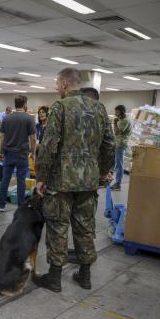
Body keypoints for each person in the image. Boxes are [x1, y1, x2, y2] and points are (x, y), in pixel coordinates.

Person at [34, 68, 114, 293]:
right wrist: (103, 171)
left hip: (61, 180)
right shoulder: (99, 108)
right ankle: (85, 276)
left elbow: (49, 145)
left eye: (57, 84)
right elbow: (109, 144)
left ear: (64, 84)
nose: (56, 88)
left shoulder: (60, 107)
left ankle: (55, 277)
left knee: (58, 225)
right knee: (85, 226)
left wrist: (41, 176)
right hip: (89, 180)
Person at [0, 95, 36, 212]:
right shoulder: (29, 119)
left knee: (5, 179)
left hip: (8, 153)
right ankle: (20, 207)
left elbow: (1, 137)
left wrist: (0, 152)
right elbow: (33, 138)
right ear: (24, 104)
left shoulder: (6, 118)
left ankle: (1, 206)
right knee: (21, 181)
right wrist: (33, 152)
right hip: (22, 154)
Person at [112, 105, 131, 190]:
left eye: (116, 111)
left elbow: (116, 132)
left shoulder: (125, 121)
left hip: (120, 144)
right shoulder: (122, 120)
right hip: (118, 143)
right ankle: (115, 181)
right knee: (117, 163)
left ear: (121, 111)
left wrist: (115, 122)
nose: (115, 113)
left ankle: (118, 184)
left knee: (119, 165)